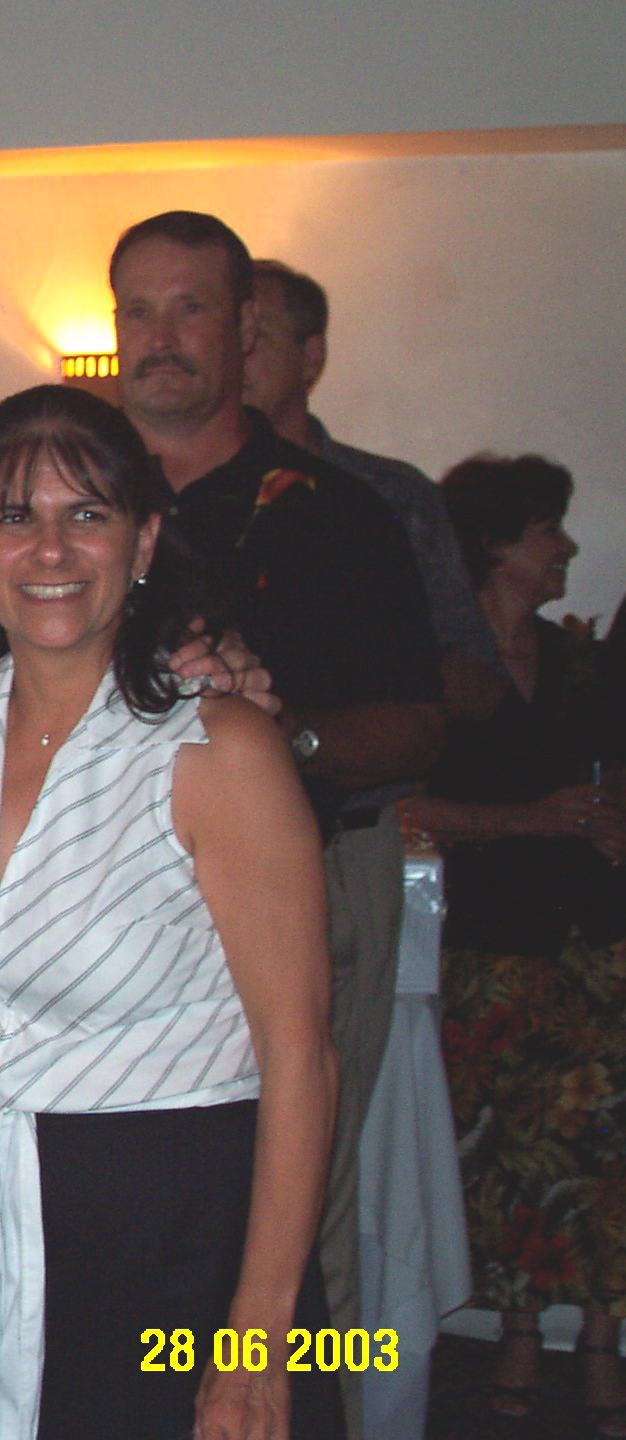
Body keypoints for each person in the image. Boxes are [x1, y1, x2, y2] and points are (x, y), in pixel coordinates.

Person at [0, 384, 342, 1440]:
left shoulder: (217, 749)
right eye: (15, 516)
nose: (50, 549)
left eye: (87, 515)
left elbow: (302, 1055)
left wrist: (259, 1342)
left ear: (143, 541)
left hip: (174, 1235)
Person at [109, 212, 443, 1429]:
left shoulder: (338, 513)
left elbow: (418, 723)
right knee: (146, 1212)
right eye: (138, 311)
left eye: (190, 308)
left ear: (247, 329)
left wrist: (281, 737)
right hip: (113, 906)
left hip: (306, 886)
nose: (162, 337)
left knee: (311, 1219)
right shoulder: (73, 503)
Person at [402, 455, 626, 1436]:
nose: (566, 547)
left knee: (601, 1157)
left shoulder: (580, 662)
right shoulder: (440, 672)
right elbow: (402, 806)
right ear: (497, 544)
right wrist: (534, 819)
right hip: (489, 948)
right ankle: (523, 1338)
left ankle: (603, 1343)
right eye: (549, 529)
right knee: (505, 1165)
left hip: (592, 944)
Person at [241, 258, 498, 701]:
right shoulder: (180, 494)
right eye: (226, 334)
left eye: (256, 338)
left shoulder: (393, 493)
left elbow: (473, 666)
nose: (234, 353)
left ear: (311, 357)